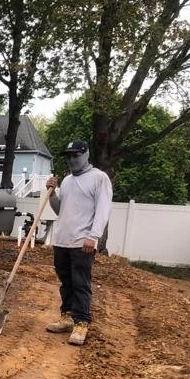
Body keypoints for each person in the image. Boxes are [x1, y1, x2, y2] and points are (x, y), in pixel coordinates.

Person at [44, 140, 113, 346]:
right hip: (62, 240)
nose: (72, 159)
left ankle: (82, 322)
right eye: (69, 156)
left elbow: (103, 210)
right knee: (66, 281)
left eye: (76, 155)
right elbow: (60, 210)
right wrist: (52, 193)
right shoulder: (66, 181)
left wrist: (94, 236)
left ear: (86, 154)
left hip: (83, 241)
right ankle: (66, 316)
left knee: (80, 283)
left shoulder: (99, 178)